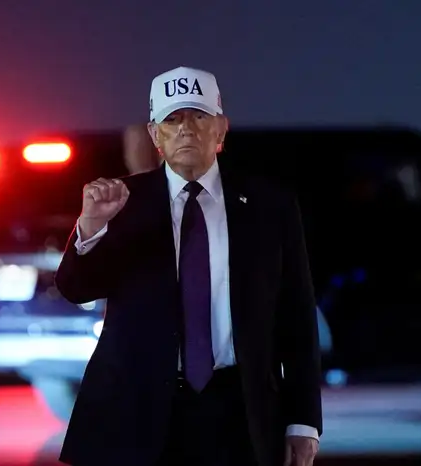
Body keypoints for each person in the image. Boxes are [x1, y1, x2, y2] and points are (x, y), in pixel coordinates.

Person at [55, 66, 323, 466]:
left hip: (238, 413)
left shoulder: (270, 205)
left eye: (199, 117)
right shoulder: (123, 202)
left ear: (221, 129)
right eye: (173, 119)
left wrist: (303, 422)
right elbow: (77, 289)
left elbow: (297, 317)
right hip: (136, 413)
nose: (186, 130)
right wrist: (92, 226)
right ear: (155, 135)